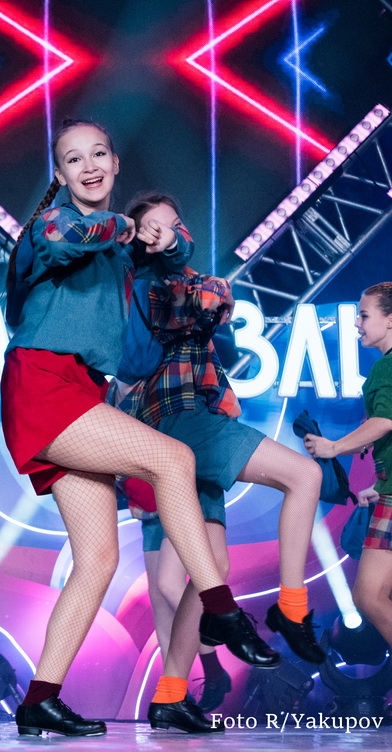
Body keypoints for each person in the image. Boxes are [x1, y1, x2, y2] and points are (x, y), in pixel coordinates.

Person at [0, 119, 278, 738]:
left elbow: (173, 255)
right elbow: (70, 239)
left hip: (81, 389)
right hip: (42, 383)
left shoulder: (121, 250)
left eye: (99, 153)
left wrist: (163, 233)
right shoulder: (52, 224)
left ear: (116, 162)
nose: (90, 166)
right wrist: (128, 227)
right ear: (60, 174)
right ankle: (221, 609)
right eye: (75, 159)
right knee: (173, 458)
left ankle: (39, 698)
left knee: (97, 559)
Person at [113, 193, 324, 733]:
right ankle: (291, 607)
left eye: (173, 223)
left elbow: (215, 296)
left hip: (192, 422)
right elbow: (142, 351)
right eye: (151, 227)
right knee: (305, 474)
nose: (166, 232)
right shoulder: (143, 285)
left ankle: (170, 693)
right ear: (136, 237)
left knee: (212, 573)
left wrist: (177, 258)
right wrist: (153, 258)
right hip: (182, 418)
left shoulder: (192, 283)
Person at [304, 283, 392, 646]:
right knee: (372, 596)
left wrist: (333, 447)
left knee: (369, 596)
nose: (357, 323)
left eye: (364, 315)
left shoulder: (387, 367)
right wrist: (380, 486)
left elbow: (385, 421)